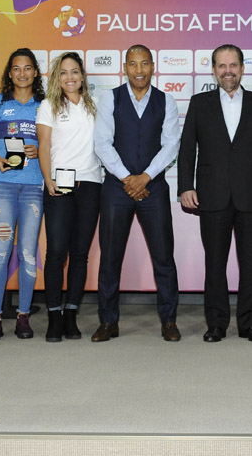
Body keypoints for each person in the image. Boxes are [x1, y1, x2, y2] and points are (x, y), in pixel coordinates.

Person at [178, 44, 252, 343]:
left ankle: (250, 324)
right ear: (214, 70)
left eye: (233, 65)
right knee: (214, 264)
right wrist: (185, 186)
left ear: (242, 68)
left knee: (250, 264)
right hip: (212, 195)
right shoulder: (200, 103)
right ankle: (216, 324)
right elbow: (187, 148)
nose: (228, 71)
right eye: (222, 66)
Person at [93, 44, 182, 342]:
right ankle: (108, 322)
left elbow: (171, 144)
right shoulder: (110, 98)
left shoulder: (166, 101)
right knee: (110, 258)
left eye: (144, 64)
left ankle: (169, 321)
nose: (139, 70)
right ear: (125, 67)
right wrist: (128, 179)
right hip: (116, 189)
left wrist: (144, 178)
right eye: (133, 64)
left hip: (153, 188)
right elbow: (102, 143)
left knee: (164, 257)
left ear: (153, 66)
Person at [36, 52, 101, 343]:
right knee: (56, 252)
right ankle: (54, 316)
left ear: (82, 76)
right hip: (58, 185)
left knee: (80, 253)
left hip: (91, 184)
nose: (70, 77)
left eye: (75, 72)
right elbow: (43, 145)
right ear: (56, 77)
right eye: (63, 72)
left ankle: (71, 314)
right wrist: (48, 179)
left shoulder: (96, 105)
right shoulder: (48, 105)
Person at [0, 48, 44, 341]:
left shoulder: (44, 105)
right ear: (10, 73)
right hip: (3, 186)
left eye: (27, 68)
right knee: (0, 253)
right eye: (16, 68)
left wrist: (39, 151)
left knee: (28, 253)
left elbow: (52, 144)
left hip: (33, 187)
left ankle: (23, 316)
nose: (22, 73)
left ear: (35, 72)